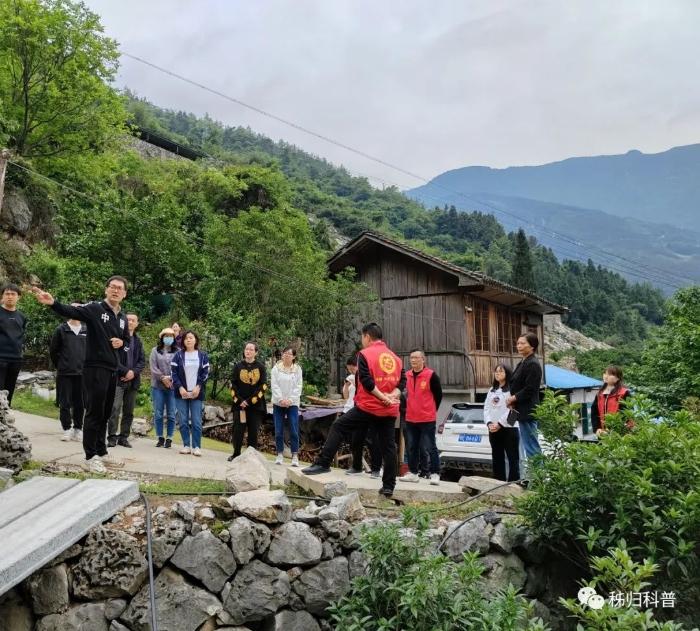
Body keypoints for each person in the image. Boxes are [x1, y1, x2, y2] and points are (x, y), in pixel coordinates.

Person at [30, 277, 130, 474]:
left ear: (125, 294)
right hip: (94, 368)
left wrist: (121, 343)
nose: (116, 291)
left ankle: (102, 452)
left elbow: (126, 341)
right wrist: (53, 303)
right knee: (94, 412)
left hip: (112, 369)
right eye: (112, 287)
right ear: (106, 289)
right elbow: (72, 311)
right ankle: (90, 456)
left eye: (120, 289)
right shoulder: (95, 309)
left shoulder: (122, 317)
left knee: (105, 413)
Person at [303, 323, 405, 498]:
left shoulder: (364, 354)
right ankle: (388, 486)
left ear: (367, 337)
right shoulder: (396, 358)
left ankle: (324, 463)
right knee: (388, 445)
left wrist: (382, 397)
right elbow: (401, 384)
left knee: (338, 426)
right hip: (389, 408)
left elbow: (366, 381)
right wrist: (391, 396)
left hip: (369, 406)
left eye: (362, 337)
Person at [399, 349, 443, 485]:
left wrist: (431, 410)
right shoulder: (407, 376)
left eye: (417, 358)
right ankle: (413, 472)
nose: (413, 360)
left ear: (423, 359)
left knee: (430, 446)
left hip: (427, 418)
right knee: (412, 447)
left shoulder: (431, 375)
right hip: (411, 417)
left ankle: (435, 473)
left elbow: (438, 395)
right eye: (411, 358)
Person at [507, 332, 543, 476]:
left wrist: (514, 398)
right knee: (527, 445)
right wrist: (513, 400)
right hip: (521, 409)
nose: (519, 346)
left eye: (523, 343)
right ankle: (532, 477)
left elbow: (530, 389)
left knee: (531, 446)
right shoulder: (523, 362)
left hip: (528, 410)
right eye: (518, 343)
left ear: (532, 346)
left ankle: (538, 479)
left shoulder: (533, 364)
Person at [107, 313, 145, 448]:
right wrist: (125, 371)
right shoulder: (118, 338)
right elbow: (112, 358)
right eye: (128, 320)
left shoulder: (138, 340)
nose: (130, 322)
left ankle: (124, 437)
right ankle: (112, 437)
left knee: (129, 411)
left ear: (137, 323)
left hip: (133, 381)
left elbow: (142, 361)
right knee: (114, 409)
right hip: (118, 379)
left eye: (133, 320)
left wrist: (133, 373)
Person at [49, 310, 86, 442]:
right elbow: (53, 351)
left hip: (82, 373)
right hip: (65, 373)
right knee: (64, 402)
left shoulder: (86, 329)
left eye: (79, 309)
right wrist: (61, 365)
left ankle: (78, 429)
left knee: (80, 403)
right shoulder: (61, 329)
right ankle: (66, 429)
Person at [171, 330, 209, 456]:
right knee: (183, 420)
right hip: (181, 393)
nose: (188, 340)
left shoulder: (202, 356)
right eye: (186, 338)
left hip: (196, 393)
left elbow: (205, 373)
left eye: (191, 338)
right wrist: (180, 388)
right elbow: (173, 373)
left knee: (196, 421)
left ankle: (197, 446)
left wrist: (198, 387)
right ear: (183, 341)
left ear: (196, 340)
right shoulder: (178, 355)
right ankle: (186, 445)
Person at [228, 342, 268, 461]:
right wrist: (240, 400)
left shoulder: (261, 367)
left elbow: (263, 386)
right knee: (238, 430)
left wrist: (250, 401)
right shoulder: (238, 366)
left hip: (255, 406)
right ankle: (236, 454)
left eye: (251, 349)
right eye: (246, 349)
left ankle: (251, 457)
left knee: (253, 432)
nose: (248, 351)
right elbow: (232, 384)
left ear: (256, 352)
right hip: (239, 405)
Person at [485, 364, 520, 482]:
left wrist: (499, 424)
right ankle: (498, 482)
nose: (497, 373)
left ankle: (513, 483)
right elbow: (486, 408)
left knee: (512, 458)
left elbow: (513, 410)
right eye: (496, 371)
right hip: (493, 428)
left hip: (509, 428)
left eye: (501, 371)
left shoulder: (512, 389)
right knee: (497, 457)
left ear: (507, 373)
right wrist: (489, 423)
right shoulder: (492, 390)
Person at [271, 346, 302, 467]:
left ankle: (295, 455)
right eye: (285, 353)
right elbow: (274, 385)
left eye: (290, 354)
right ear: (282, 355)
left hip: (292, 404)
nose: (287, 355)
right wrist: (280, 399)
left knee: (294, 429)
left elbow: (298, 386)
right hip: (278, 403)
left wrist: (290, 400)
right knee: (278, 429)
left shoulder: (298, 369)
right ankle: (279, 454)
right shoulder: (276, 369)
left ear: (294, 356)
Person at [150, 327, 178, 448]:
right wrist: (163, 378)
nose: (168, 338)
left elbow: (179, 368)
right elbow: (153, 367)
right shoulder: (155, 351)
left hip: (173, 387)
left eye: (171, 336)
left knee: (172, 413)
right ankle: (160, 437)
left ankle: (169, 438)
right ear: (162, 337)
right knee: (158, 413)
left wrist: (171, 379)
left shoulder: (178, 352)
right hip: (157, 386)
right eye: (166, 336)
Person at [0, 283, 27, 405]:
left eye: (13, 294)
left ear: (18, 297)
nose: (10, 296)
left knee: (9, 392)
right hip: (0, 358)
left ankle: (5, 419)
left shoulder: (22, 316)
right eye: (7, 294)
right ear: (2, 296)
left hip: (16, 359)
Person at [591, 365, 631, 435]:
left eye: (610, 374)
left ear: (617, 378)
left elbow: (625, 414)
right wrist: (597, 428)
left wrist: (612, 430)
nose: (606, 376)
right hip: (602, 433)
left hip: (619, 433)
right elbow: (594, 412)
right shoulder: (600, 394)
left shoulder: (624, 393)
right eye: (605, 373)